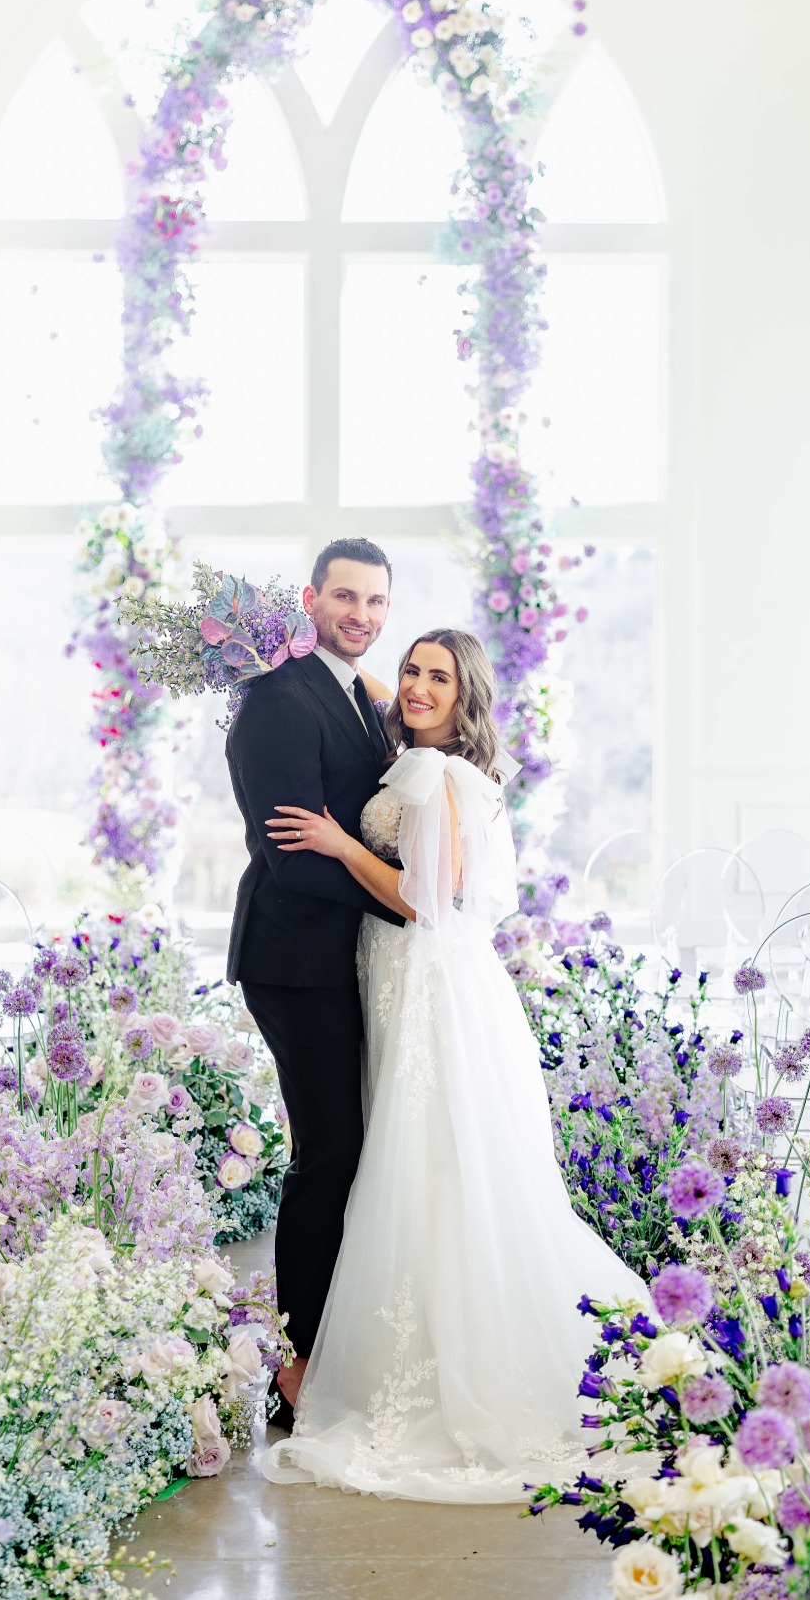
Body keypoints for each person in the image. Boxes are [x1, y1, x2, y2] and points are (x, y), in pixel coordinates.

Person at [259, 628, 649, 1502]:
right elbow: (357, 680)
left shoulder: (440, 775)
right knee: (418, 1162)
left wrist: (337, 842)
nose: (420, 685)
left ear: (466, 695)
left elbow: (429, 899)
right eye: (411, 669)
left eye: (440, 676)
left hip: (431, 984)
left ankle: (454, 1366)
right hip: (405, 980)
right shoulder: (416, 762)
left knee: (430, 1164)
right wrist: (291, 648)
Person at [224, 538, 402, 1425]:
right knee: (327, 1151)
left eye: (374, 602)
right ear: (310, 597)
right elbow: (291, 856)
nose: (359, 615)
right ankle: (295, 1362)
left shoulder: (358, 696)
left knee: (345, 1147)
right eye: (344, 597)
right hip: (293, 960)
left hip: (342, 957)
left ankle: (330, 1340)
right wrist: (400, 899)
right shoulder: (277, 700)